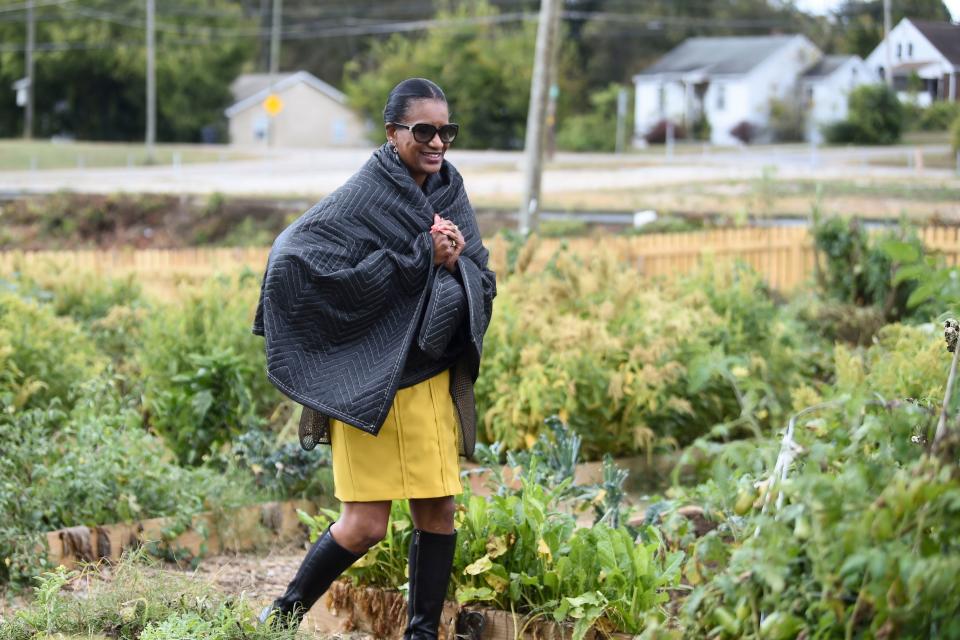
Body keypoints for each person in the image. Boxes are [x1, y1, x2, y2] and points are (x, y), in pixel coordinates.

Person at [252, 77, 497, 639]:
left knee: (439, 513)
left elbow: (483, 278)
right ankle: (283, 616)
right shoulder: (365, 195)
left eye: (447, 131)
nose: (438, 142)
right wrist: (419, 256)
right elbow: (295, 261)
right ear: (393, 133)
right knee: (364, 524)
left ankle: (421, 634)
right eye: (425, 130)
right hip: (370, 384)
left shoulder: (450, 190)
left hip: (429, 381)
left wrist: (456, 262)